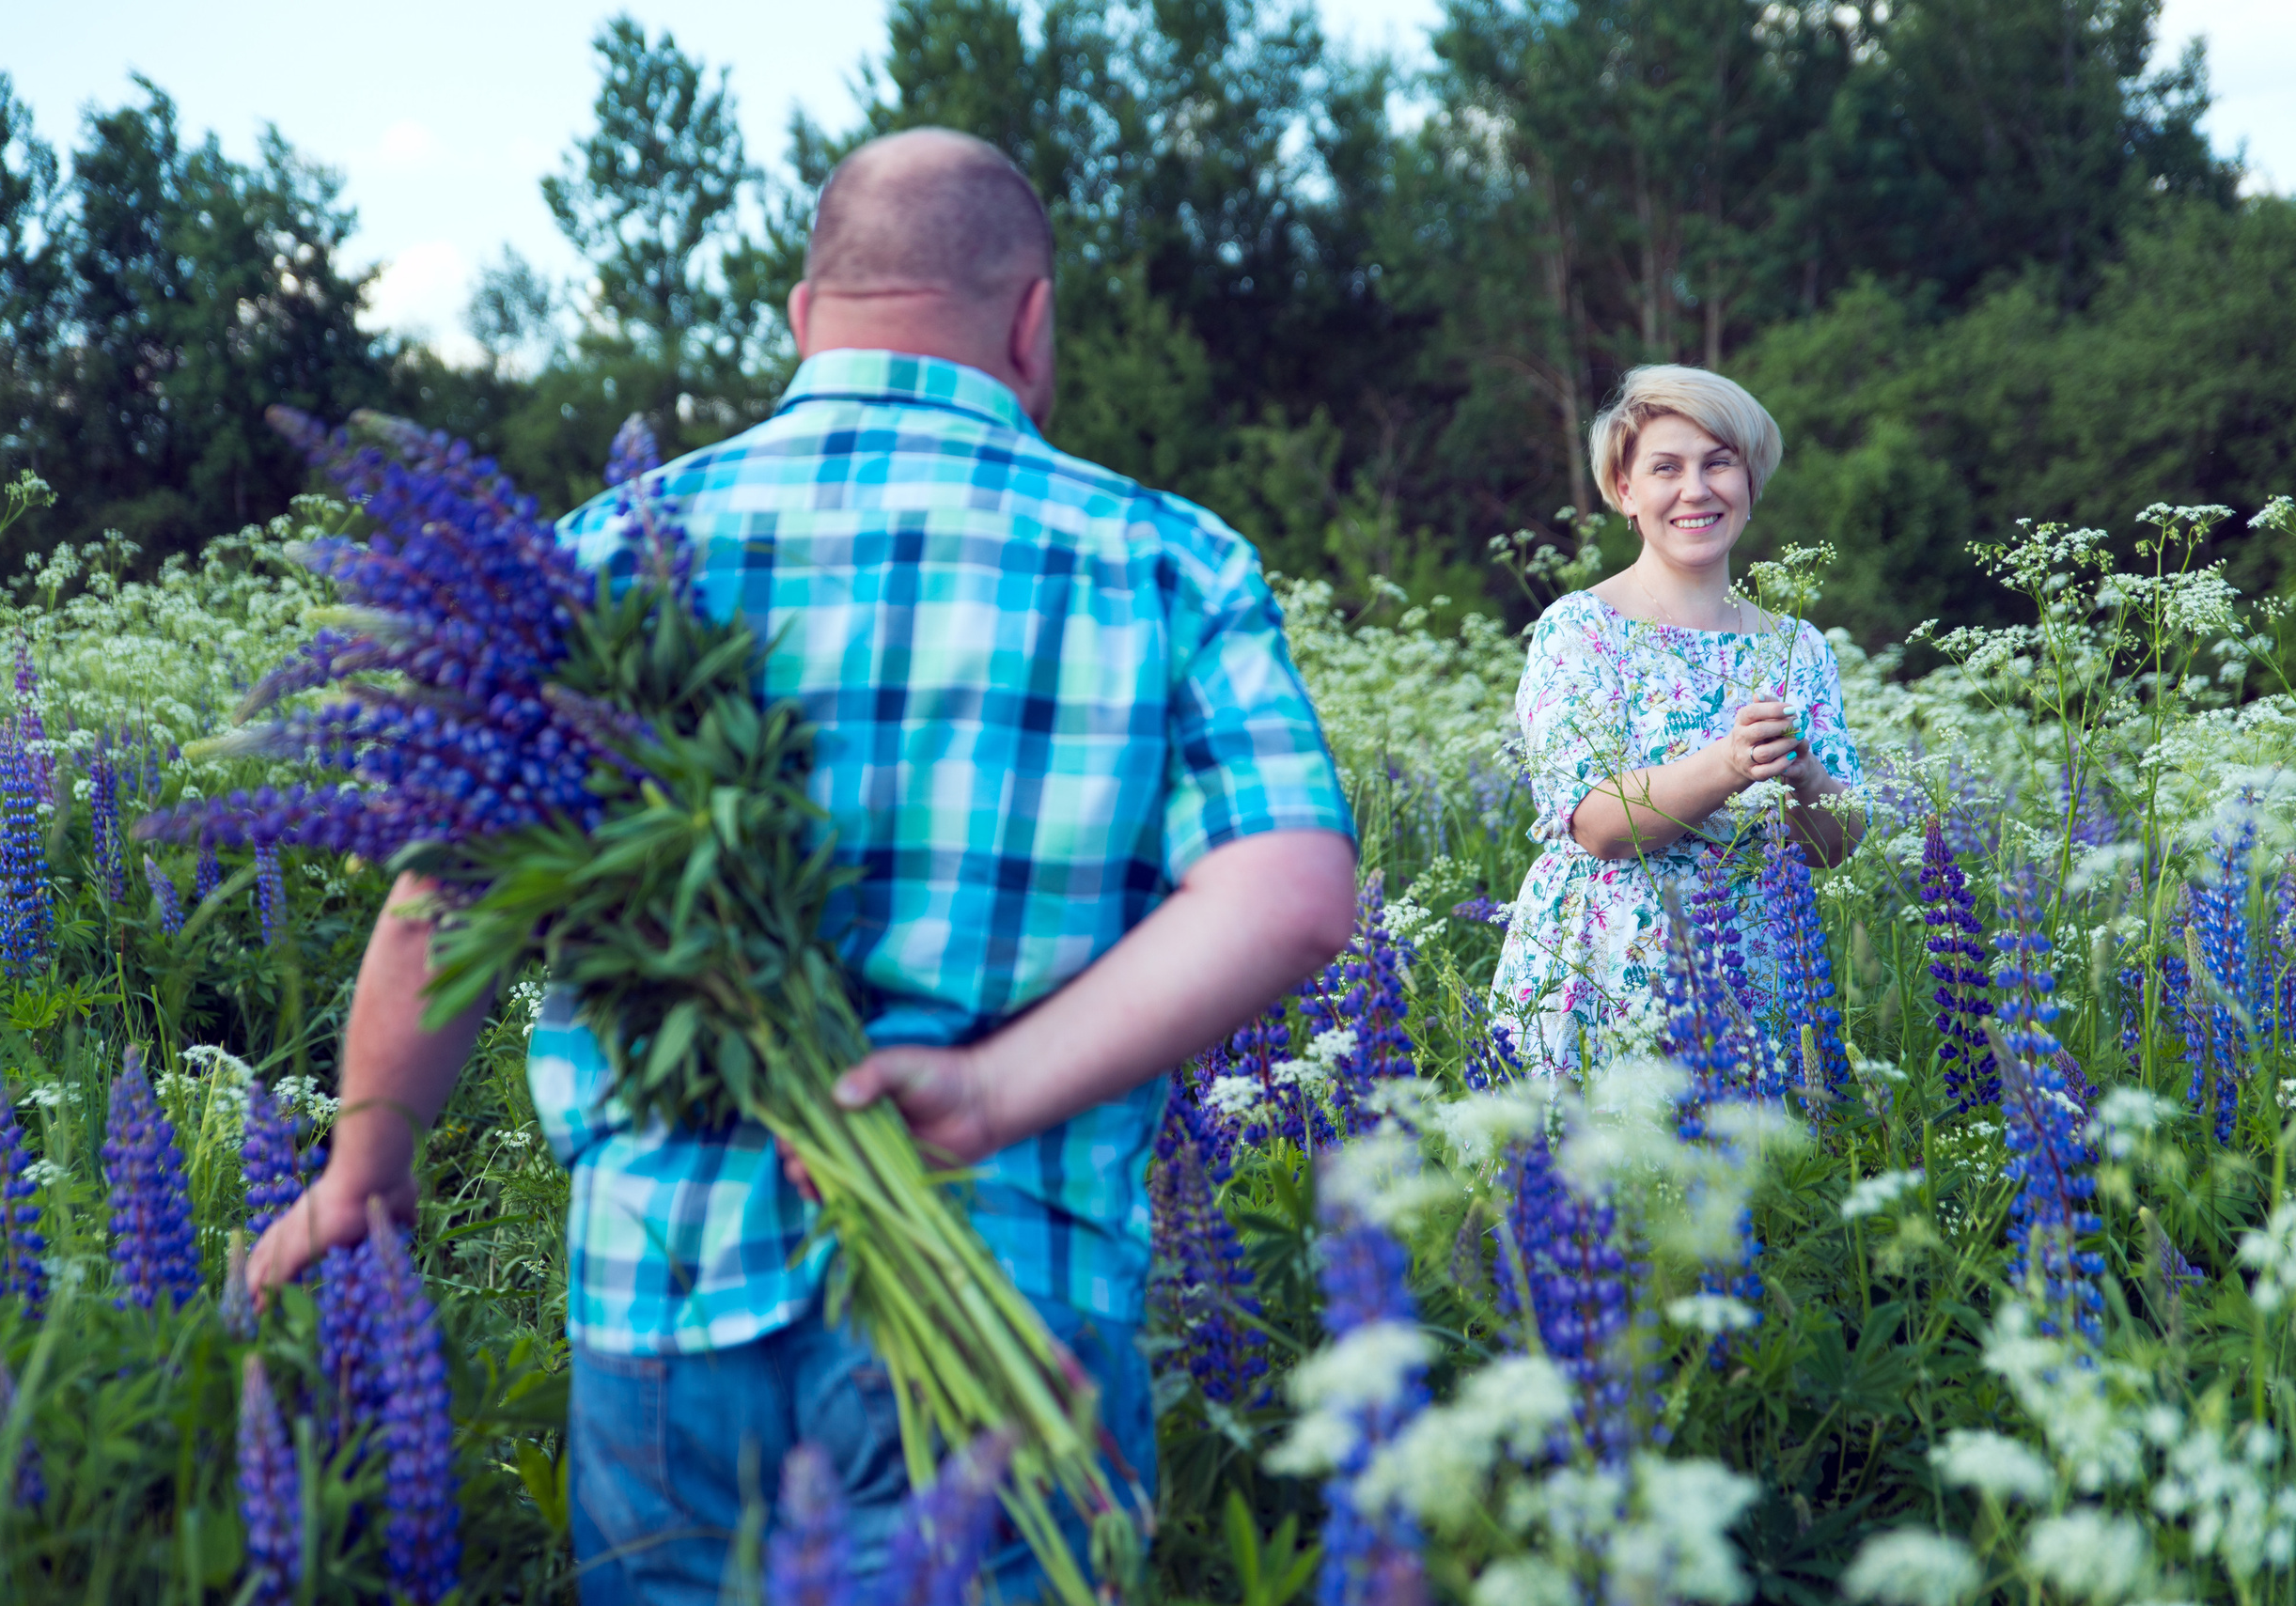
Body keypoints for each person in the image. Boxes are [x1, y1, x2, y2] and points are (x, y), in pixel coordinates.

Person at [243, 127, 1358, 1600]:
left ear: (800, 316)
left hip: (666, 1290)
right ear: (1032, 322)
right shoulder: (1161, 556)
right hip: (1009, 1289)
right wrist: (983, 1092)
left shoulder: (592, 562)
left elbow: (440, 899)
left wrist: (363, 1170)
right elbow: (1292, 892)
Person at [1486, 365, 1866, 1079]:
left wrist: (1807, 772)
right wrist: (1731, 763)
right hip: (1606, 983)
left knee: (1774, 1187)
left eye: (1719, 464)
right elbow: (1596, 822)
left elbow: (1834, 845)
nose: (1696, 489)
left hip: (1765, 982)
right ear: (1625, 491)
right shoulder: (1578, 629)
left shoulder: (1799, 646)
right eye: (1666, 468)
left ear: (1750, 483)